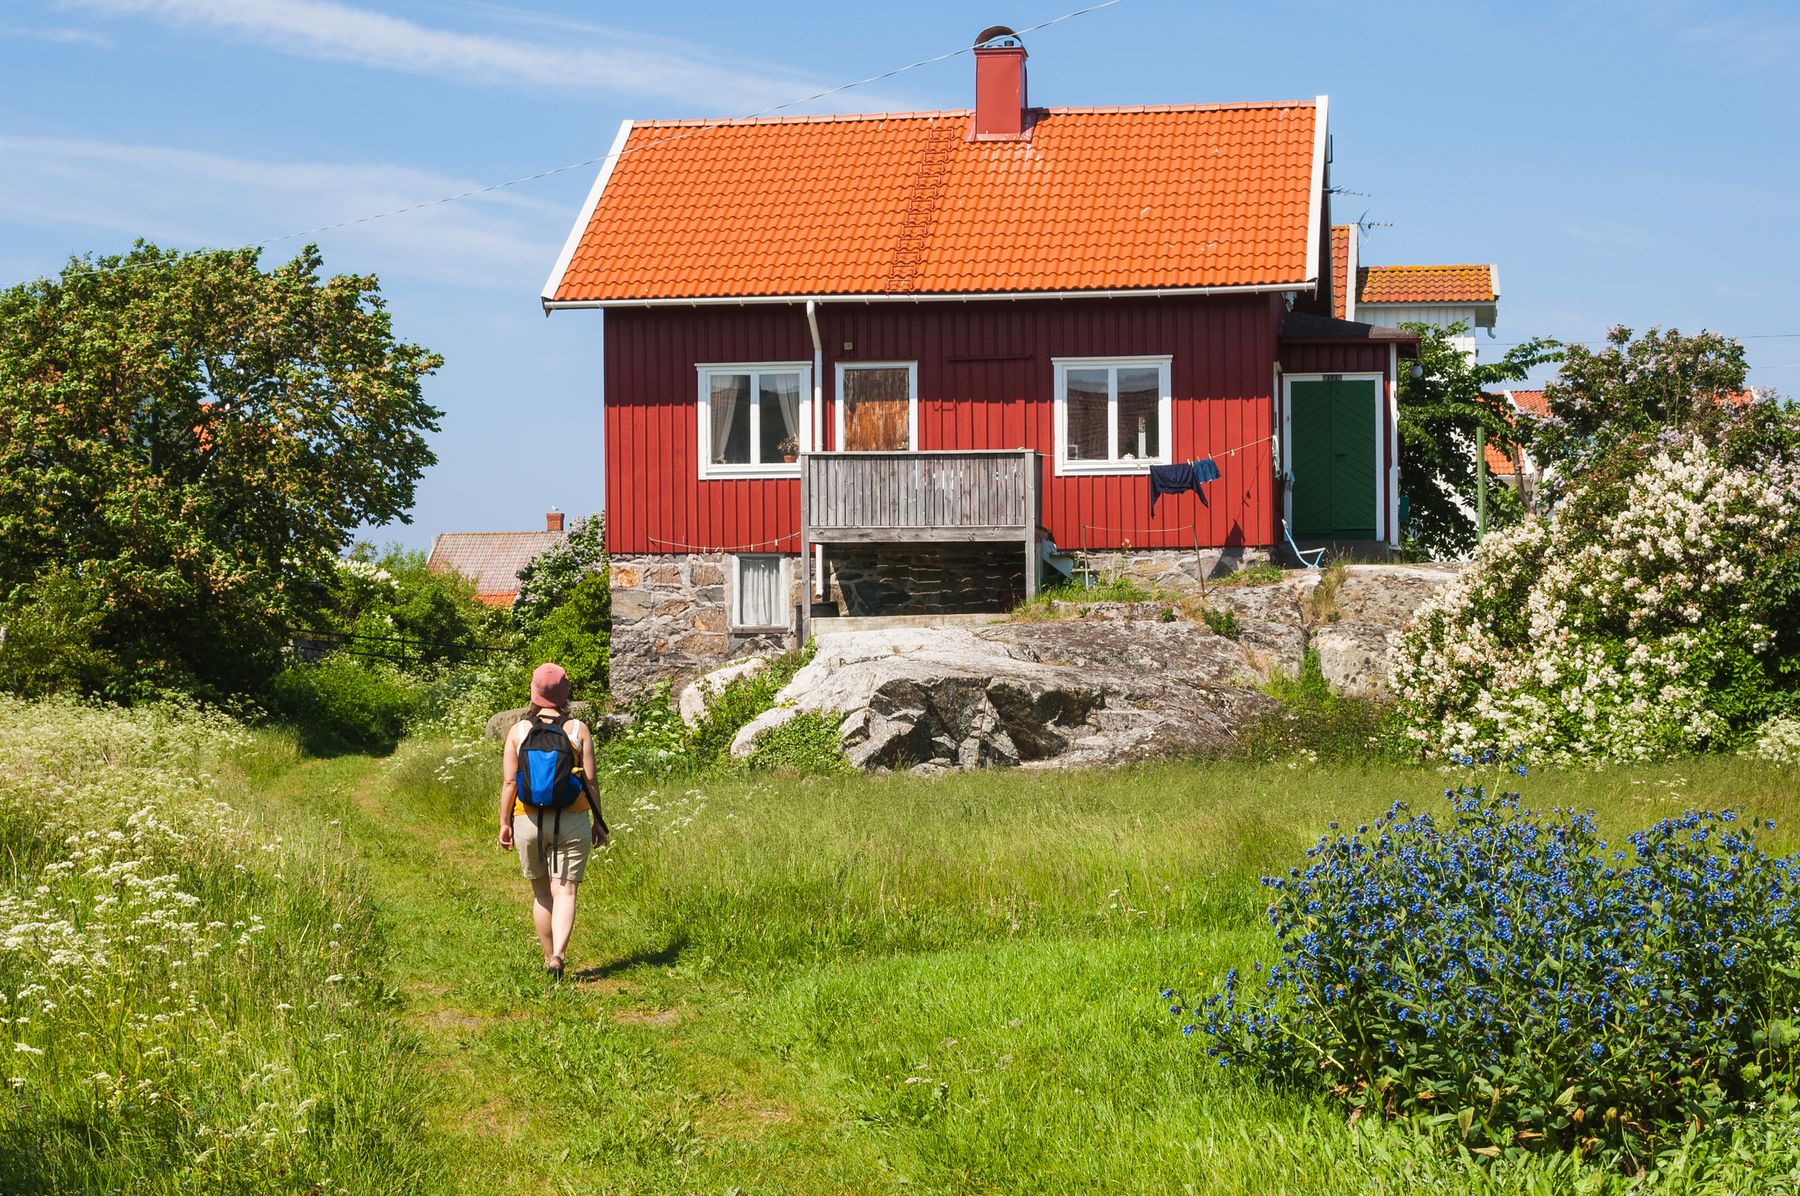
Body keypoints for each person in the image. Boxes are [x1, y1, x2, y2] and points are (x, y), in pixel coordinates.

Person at [497, 663, 606, 979]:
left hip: (528, 820)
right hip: (572, 819)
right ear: (565, 693)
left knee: (542, 894)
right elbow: (591, 781)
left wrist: (505, 822)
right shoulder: (577, 729)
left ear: (533, 692)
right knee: (565, 892)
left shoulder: (518, 731)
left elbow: (509, 784)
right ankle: (559, 954)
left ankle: (548, 960)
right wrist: (598, 821)